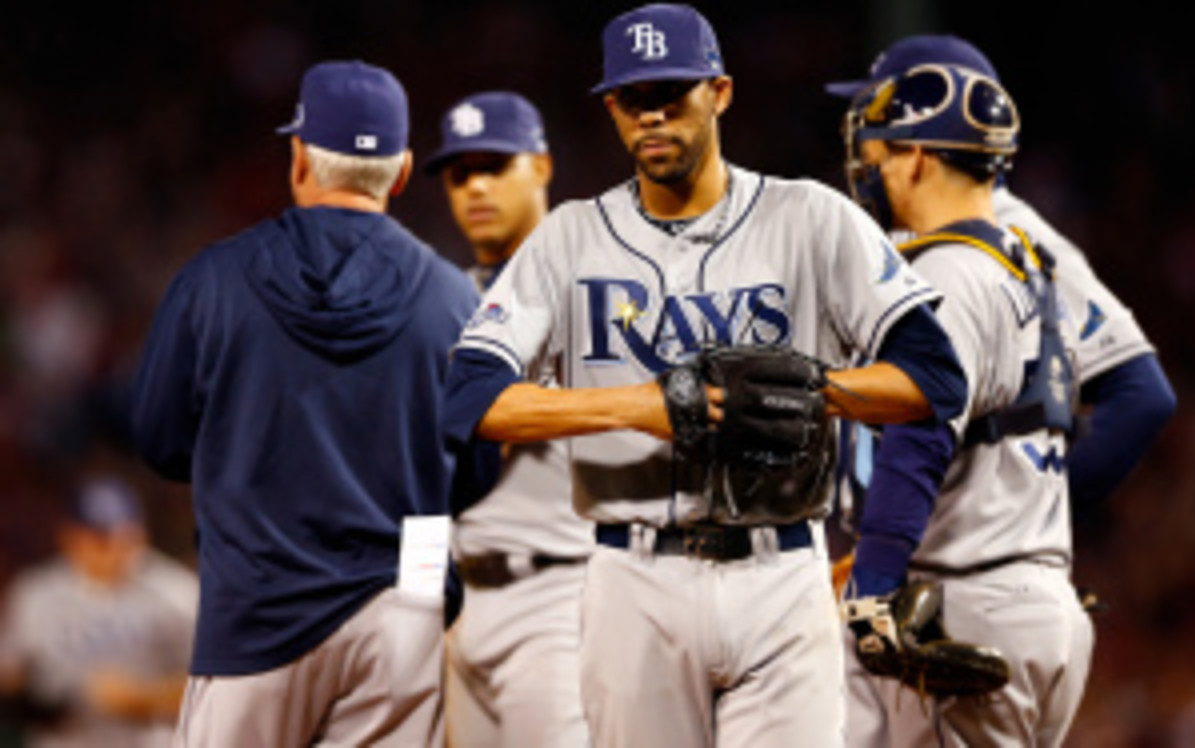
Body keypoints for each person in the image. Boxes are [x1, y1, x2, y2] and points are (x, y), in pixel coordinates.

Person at [441, 4, 969, 745]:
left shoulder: (810, 217)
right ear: (611, 110)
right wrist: (636, 406)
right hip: (632, 580)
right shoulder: (569, 238)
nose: (652, 115)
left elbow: (938, 382)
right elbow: (470, 398)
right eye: (633, 99)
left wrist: (816, 390)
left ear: (719, 92)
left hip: (781, 572)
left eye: (671, 94)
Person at [130, 60, 478, 747]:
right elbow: (477, 471)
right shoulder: (454, 302)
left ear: (299, 159)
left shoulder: (213, 281)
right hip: (398, 617)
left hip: (254, 614)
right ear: (403, 171)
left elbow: (159, 439)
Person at [829, 49, 1125, 746]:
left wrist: (873, 589)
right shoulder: (1028, 269)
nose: (871, 164)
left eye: (883, 147)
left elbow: (920, 433)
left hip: (967, 604)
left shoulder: (952, 275)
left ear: (921, 157)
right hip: (1038, 601)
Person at [825, 35, 1177, 516]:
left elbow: (1142, 395)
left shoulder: (1017, 237)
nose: (868, 140)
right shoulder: (914, 232)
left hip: (971, 566)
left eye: (881, 108)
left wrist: (1033, 522)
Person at [425, 91, 592, 747]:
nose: (476, 187)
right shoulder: (443, 301)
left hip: (559, 595)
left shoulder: (595, 289)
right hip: (457, 597)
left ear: (542, 167)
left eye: (495, 165)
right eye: (460, 173)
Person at [0, 475, 197, 748]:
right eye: (100, 538)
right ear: (70, 537)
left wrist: (144, 699)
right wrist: (34, 697)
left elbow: (211, 689)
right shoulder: (35, 593)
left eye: (124, 535)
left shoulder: (178, 592)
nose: (115, 548)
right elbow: (10, 676)